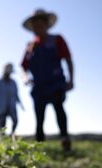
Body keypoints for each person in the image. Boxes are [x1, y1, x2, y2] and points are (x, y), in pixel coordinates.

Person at [21, 9, 74, 151]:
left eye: (40, 25)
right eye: (35, 26)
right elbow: (23, 67)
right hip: (38, 87)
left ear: (46, 25)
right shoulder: (30, 46)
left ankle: (65, 139)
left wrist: (71, 80)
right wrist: (25, 78)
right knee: (39, 117)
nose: (38, 28)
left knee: (59, 109)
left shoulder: (57, 40)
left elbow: (68, 59)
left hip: (56, 83)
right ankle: (39, 147)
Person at [0, 63, 23, 135]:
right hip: (2, 107)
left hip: (12, 106)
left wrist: (21, 105)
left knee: (15, 121)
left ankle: (12, 135)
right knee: (2, 125)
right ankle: (2, 140)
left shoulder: (13, 83)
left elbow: (16, 94)